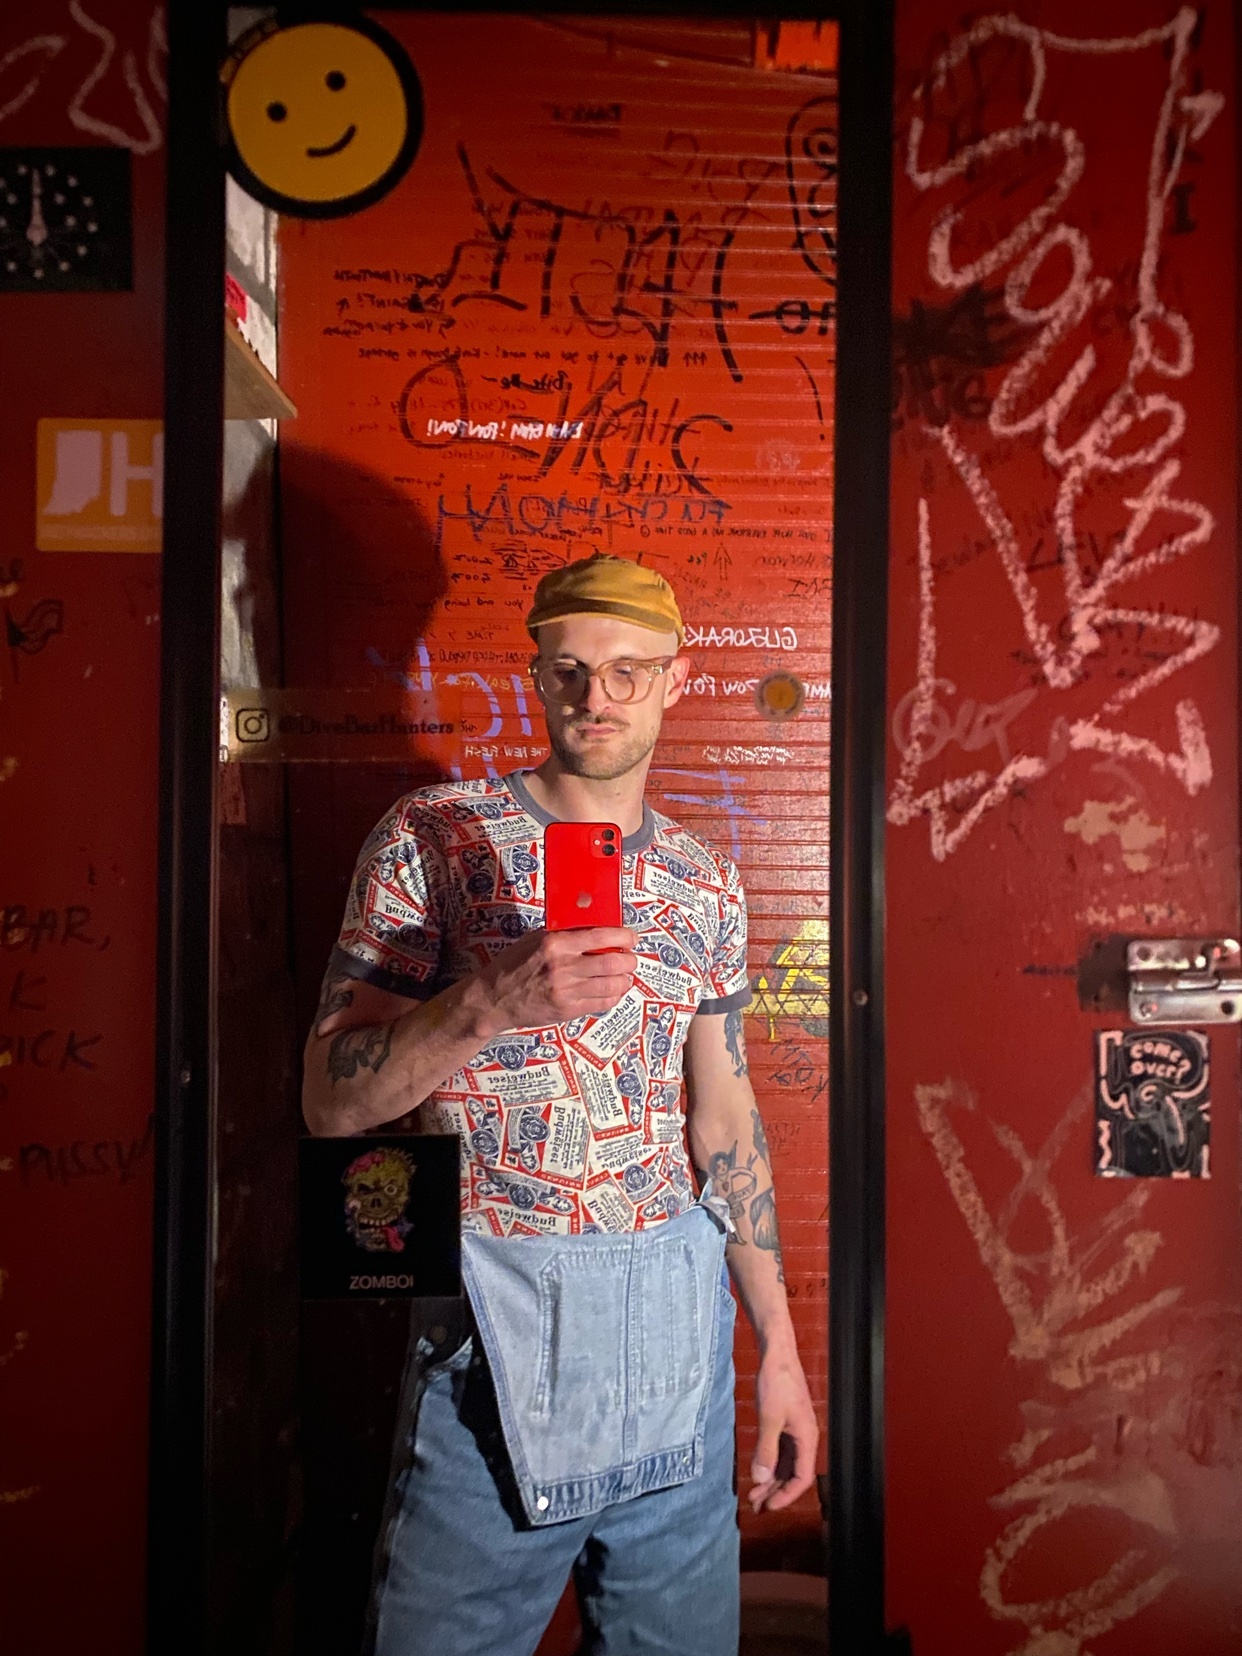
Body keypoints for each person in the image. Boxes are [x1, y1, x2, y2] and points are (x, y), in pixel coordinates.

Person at [303, 552, 818, 1656]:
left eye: (630, 672)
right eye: (572, 671)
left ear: (676, 681)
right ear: (535, 676)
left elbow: (724, 1121)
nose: (599, 698)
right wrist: (488, 1002)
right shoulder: (432, 838)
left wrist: (778, 1349)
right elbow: (327, 1103)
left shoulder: (705, 879)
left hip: (681, 1356)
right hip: (495, 1343)